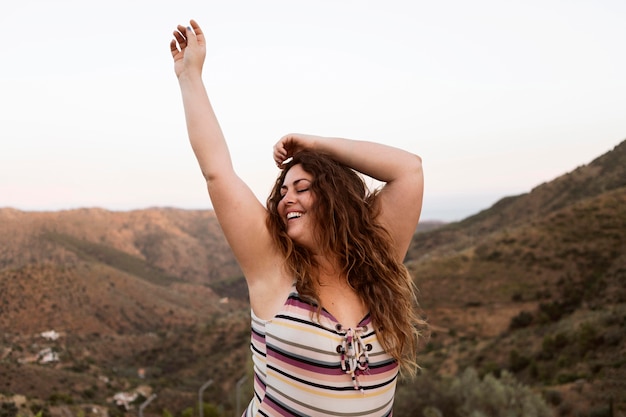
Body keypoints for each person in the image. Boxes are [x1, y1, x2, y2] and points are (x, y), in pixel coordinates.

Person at [170, 19, 426, 417]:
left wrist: (315, 145)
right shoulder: (274, 269)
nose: (286, 198)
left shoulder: (378, 261)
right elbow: (217, 171)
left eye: (302, 187)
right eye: (282, 191)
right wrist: (190, 75)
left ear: (336, 198)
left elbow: (408, 170)